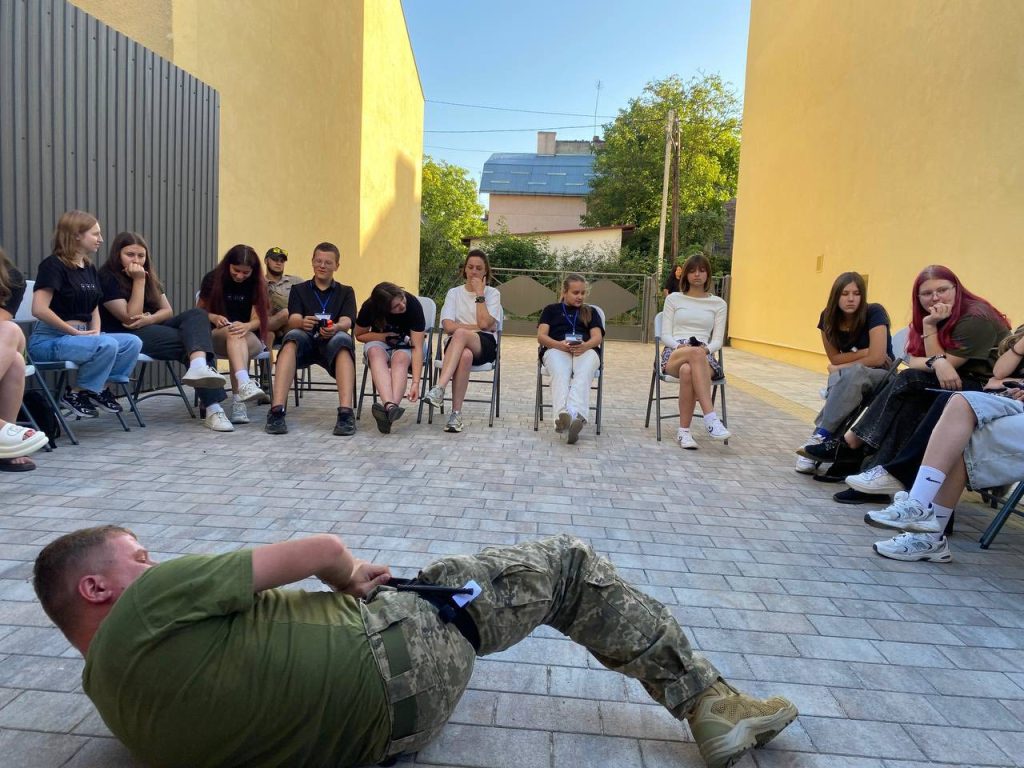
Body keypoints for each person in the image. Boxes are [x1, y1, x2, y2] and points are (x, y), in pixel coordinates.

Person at [33, 527, 798, 768]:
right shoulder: (151, 602)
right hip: (405, 652)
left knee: (447, 581)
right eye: (138, 558)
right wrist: (349, 577)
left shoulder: (116, 708)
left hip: (391, 738)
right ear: (96, 588)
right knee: (565, 568)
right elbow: (319, 549)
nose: (154, 564)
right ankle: (708, 701)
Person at [801, 265, 1010, 501]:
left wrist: (932, 338)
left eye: (942, 290)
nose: (935, 298)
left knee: (909, 385)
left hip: (987, 389)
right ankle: (872, 473)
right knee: (909, 389)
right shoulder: (934, 317)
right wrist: (936, 355)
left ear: (957, 288)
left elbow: (944, 364)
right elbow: (916, 360)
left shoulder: (975, 318)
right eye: (927, 293)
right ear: (918, 297)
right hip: (952, 382)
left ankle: (852, 447)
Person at [847, 324, 1024, 545]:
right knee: (944, 400)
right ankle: (927, 530)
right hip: (1006, 402)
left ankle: (904, 486)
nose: (934, 303)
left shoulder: (976, 320)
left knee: (954, 404)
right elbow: (996, 379)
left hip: (1010, 411)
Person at [98, 232, 232, 431]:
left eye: (141, 256)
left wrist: (150, 318)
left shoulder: (149, 276)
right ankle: (213, 408)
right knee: (194, 343)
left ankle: (198, 367)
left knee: (197, 315)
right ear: (117, 254)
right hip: (125, 334)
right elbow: (131, 318)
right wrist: (139, 281)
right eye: (130, 254)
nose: (136, 260)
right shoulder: (107, 277)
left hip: (152, 327)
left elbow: (167, 310)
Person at [28, 211, 143, 420]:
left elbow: (94, 306)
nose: (101, 239)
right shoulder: (52, 265)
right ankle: (77, 394)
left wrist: (96, 332)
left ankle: (95, 389)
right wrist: (74, 332)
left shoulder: (88, 267)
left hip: (83, 336)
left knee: (132, 342)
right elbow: (39, 309)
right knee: (107, 344)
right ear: (76, 235)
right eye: (95, 234)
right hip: (50, 339)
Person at [795, 272, 892, 474]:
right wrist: (864, 352)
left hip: (882, 377)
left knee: (847, 374)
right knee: (845, 377)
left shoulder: (874, 312)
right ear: (835, 296)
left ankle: (820, 436)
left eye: (856, 293)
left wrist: (842, 367)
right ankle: (821, 443)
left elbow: (878, 359)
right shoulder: (827, 318)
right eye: (845, 293)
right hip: (850, 380)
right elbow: (835, 358)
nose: (851, 299)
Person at [264, 242, 357, 436]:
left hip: (331, 341)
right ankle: (276, 411)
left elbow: (347, 321)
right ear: (312, 262)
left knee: (343, 341)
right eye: (318, 261)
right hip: (305, 340)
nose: (322, 266)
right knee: (291, 338)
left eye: (328, 262)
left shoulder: (346, 291)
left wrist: (336, 327)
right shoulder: (299, 289)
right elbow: (293, 318)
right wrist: (302, 322)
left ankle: (346, 414)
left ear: (337, 266)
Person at [424, 250, 502, 433]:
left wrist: (479, 293)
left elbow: (485, 324)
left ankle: (439, 387)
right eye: (470, 267)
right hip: (456, 346)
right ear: (465, 269)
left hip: (484, 344)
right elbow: (448, 326)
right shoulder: (454, 293)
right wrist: (475, 327)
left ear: (485, 272)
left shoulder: (493, 293)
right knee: (465, 355)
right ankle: (456, 415)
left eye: (479, 268)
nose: (474, 271)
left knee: (460, 333)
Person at [660, 253, 729, 449]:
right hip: (676, 350)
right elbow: (665, 335)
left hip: (704, 352)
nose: (697, 275)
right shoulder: (674, 299)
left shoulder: (718, 304)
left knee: (687, 370)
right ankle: (710, 417)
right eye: (692, 271)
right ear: (685, 275)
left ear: (708, 274)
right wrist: (679, 346)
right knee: (692, 356)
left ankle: (684, 433)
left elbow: (718, 341)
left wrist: (704, 350)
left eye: (702, 270)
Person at [197, 244, 270, 425]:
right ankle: (240, 397)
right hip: (217, 335)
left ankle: (241, 393)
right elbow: (197, 314)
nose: (240, 276)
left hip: (249, 336)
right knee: (234, 334)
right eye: (236, 270)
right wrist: (214, 317)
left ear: (253, 271)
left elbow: (259, 319)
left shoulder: (257, 283)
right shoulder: (212, 279)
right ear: (228, 265)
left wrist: (247, 325)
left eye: (246, 273)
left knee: (237, 336)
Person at [536, 274, 604, 444]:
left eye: (583, 293)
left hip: (586, 349)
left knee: (583, 373)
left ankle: (568, 416)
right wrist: (558, 345)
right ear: (564, 291)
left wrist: (585, 346)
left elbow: (597, 337)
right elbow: (541, 336)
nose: (580, 296)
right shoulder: (550, 310)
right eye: (575, 293)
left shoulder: (591, 311)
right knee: (560, 372)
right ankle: (570, 417)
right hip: (557, 348)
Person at [354, 282, 425, 434]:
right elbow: (359, 335)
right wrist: (383, 336)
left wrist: (416, 383)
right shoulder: (370, 307)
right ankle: (391, 409)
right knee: (374, 352)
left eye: (402, 299)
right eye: (396, 306)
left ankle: (389, 408)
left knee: (400, 358)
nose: (402, 305)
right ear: (384, 310)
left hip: (408, 343)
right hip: (379, 340)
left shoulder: (412, 304)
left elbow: (417, 347)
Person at [0, 247, 48, 471]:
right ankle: (4, 442)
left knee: (9, 330)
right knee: (16, 362)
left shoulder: (11, 278)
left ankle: (4, 442)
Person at [264, 246, 303, 343]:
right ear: (266, 261)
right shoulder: (258, 282)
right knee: (269, 334)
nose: (279, 263)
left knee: (286, 313)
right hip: (268, 323)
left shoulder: (295, 281)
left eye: (282, 261)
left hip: (291, 325)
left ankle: (279, 331)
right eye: (275, 259)